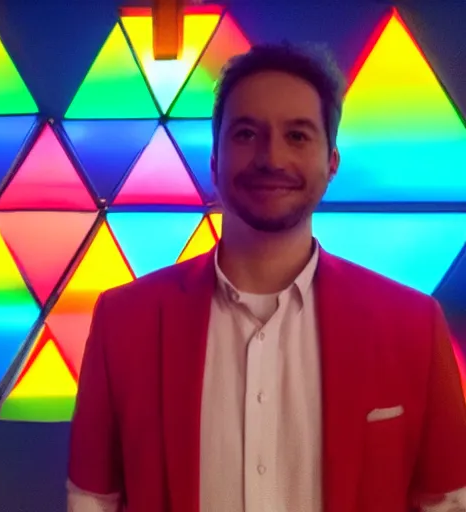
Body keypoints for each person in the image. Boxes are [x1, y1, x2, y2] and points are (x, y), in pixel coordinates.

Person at [67, 43, 466, 512]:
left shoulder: (413, 325)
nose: (271, 158)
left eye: (297, 136)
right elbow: (93, 500)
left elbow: (445, 502)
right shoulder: (124, 321)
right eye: (245, 134)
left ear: (331, 162)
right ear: (214, 160)